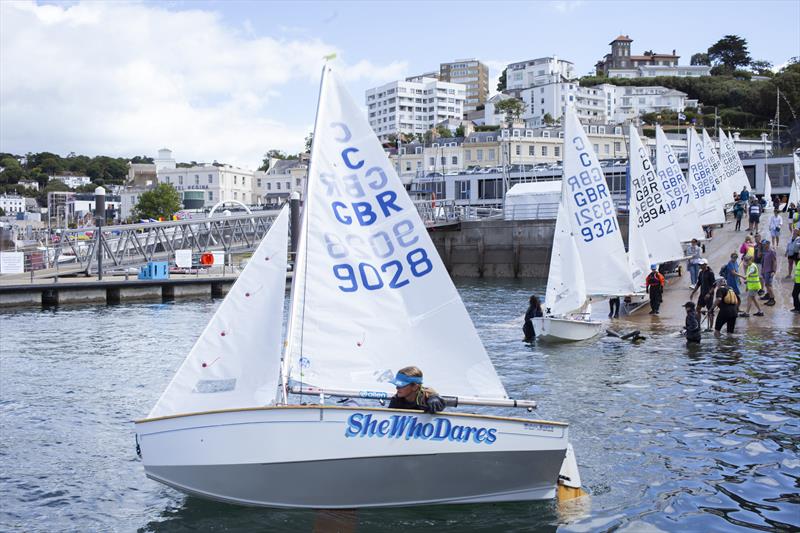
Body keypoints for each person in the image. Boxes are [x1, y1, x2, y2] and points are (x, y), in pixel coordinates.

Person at [690, 259, 716, 324]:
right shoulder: (701, 273)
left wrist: (709, 293)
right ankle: (698, 324)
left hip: (709, 295)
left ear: (705, 264)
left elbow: (714, 285)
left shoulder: (710, 273)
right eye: (699, 265)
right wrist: (693, 292)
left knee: (710, 311)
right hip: (702, 294)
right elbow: (698, 283)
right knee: (697, 309)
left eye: (701, 265)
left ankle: (711, 327)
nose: (700, 266)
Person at [760, 240, 777, 306]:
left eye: (765, 244)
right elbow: (763, 261)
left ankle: (772, 299)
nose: (763, 245)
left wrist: (773, 271)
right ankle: (769, 297)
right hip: (765, 270)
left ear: (768, 244)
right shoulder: (765, 251)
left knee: (768, 285)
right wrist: (762, 270)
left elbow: (774, 262)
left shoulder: (772, 251)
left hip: (769, 271)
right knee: (767, 285)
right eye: (763, 244)